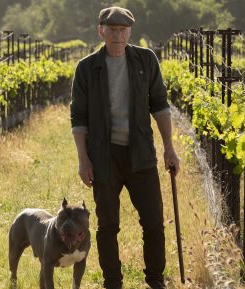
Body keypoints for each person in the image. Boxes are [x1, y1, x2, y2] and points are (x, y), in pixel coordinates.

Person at [69, 6, 180, 289]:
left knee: (154, 223)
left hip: (140, 154)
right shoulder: (87, 68)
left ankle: (155, 281)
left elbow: (160, 105)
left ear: (130, 31)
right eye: (112, 29)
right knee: (108, 226)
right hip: (104, 157)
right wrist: (83, 159)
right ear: (101, 31)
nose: (117, 35)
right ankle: (112, 282)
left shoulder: (146, 60)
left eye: (122, 30)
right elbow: (78, 117)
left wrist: (169, 147)